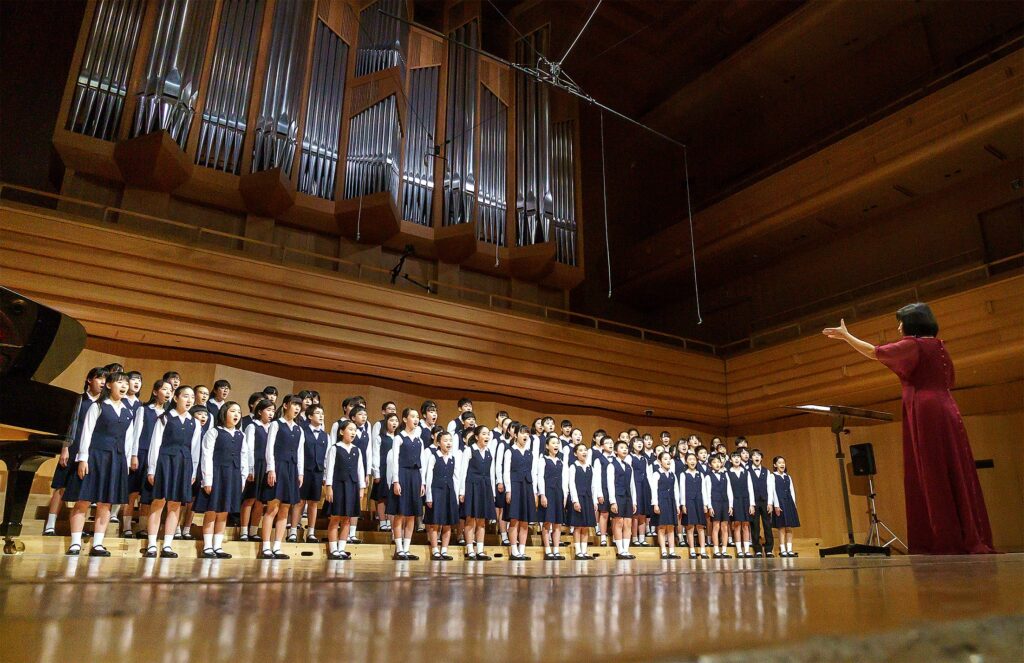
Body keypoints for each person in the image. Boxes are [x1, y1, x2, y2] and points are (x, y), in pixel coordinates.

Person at [823, 306, 995, 555]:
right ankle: (966, 533)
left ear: (912, 323)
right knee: (954, 468)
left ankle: (943, 537)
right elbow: (950, 380)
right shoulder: (938, 345)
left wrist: (847, 337)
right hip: (947, 407)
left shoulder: (913, 345)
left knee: (932, 471)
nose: (899, 328)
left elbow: (875, 352)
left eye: (901, 322)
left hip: (926, 409)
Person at [64, 371, 135, 557]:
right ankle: (75, 543)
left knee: (106, 503)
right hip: (95, 456)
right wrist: (82, 459)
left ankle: (98, 544)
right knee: (83, 500)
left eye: (126, 383)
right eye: (120, 382)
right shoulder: (99, 406)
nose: (124, 386)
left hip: (116, 459)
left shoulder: (128, 411)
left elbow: (129, 440)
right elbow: (86, 432)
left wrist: (125, 463)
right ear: (109, 385)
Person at [44, 366, 107, 536]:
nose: (103, 382)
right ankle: (50, 524)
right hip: (73, 446)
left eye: (105, 380)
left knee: (85, 490)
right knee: (61, 485)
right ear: (89, 380)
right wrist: (65, 447)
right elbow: (69, 424)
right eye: (99, 378)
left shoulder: (104, 404)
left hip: (91, 452)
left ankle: (79, 528)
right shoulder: (78, 400)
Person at [144, 386, 202, 558]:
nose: (189, 400)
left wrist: (193, 472)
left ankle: (167, 545)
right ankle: (152, 544)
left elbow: (195, 449)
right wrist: (152, 468)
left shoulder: (195, 423)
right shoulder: (165, 418)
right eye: (185, 396)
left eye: (192, 397)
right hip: (164, 461)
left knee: (175, 505)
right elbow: (155, 445)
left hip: (184, 464)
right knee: (159, 502)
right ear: (176, 398)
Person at [196, 402, 249, 559]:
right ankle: (207, 547)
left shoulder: (241, 435)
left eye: (238, 412)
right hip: (216, 474)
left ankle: (217, 546)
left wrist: (243, 479)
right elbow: (206, 456)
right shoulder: (214, 432)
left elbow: (244, 457)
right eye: (232, 411)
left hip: (233, 475)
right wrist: (207, 480)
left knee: (224, 511)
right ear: (224, 413)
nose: (236, 414)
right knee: (212, 510)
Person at [259, 395, 305, 559]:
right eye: (294, 405)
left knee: (285, 509)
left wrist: (300, 473)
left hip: (292, 469)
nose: (297, 408)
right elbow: (269, 448)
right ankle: (265, 546)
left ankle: (277, 546)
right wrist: (271, 469)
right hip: (278, 467)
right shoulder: (276, 424)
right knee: (273, 508)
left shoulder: (299, 429)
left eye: (299, 406)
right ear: (286, 405)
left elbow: (300, 452)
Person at [386, 408, 426, 560]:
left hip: (415, 476)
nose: (416, 419)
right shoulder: (399, 438)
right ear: (404, 419)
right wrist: (395, 480)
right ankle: (399, 549)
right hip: (402, 474)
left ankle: (407, 549)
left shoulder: (419, 440)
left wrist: (422, 483)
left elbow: (421, 463)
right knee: (400, 513)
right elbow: (394, 461)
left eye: (417, 417)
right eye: (412, 416)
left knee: (411, 515)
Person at [324, 419, 365, 560]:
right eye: (350, 429)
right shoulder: (335, 448)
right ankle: (333, 549)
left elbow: (360, 470)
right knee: (335, 518)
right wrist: (328, 487)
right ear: (342, 431)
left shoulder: (356, 450)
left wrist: (361, 488)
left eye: (355, 430)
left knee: (347, 518)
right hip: (338, 486)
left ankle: (342, 548)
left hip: (352, 486)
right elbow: (329, 469)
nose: (353, 432)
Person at [293, 404, 328, 543]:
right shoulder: (302, 431)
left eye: (322, 413)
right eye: (318, 413)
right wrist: (299, 471)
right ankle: (293, 531)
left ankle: (311, 532)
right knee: (300, 502)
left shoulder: (325, 435)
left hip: (318, 472)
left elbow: (326, 456)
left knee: (314, 503)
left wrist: (325, 475)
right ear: (309, 416)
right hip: (304, 471)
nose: (321, 416)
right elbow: (299, 452)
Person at [461, 425, 497, 560]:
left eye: (488, 434)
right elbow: (463, 472)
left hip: (485, 486)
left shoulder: (489, 452)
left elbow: (491, 474)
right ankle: (470, 549)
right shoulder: (469, 451)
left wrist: (492, 492)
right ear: (476, 437)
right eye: (484, 434)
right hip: (472, 486)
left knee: (482, 520)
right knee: (470, 519)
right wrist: (461, 491)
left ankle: (480, 550)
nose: (487, 436)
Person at [239, 398, 274, 541]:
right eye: (268, 410)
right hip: (255, 465)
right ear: (260, 411)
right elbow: (248, 449)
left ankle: (253, 530)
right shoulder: (253, 426)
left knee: (261, 501)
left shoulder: (273, 427)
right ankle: (243, 531)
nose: (271, 413)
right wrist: (250, 469)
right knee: (250, 499)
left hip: (267, 466)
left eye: (273, 410)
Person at [503, 423, 538, 561]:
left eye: (527, 433)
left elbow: (533, 473)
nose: (525, 435)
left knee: (524, 520)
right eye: (522, 433)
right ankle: (514, 550)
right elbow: (506, 471)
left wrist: (535, 492)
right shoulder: (509, 451)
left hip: (527, 486)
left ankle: (522, 550)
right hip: (515, 486)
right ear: (516, 435)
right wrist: (508, 490)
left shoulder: (530, 453)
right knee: (514, 519)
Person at [424, 431, 460, 561]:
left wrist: (456, 497)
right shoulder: (434, 456)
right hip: (436, 491)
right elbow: (429, 477)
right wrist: (429, 496)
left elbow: (456, 478)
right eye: (445, 440)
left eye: (450, 440)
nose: (448, 443)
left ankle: (444, 550)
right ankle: (435, 550)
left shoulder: (453, 458)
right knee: (435, 522)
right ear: (438, 443)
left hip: (449, 492)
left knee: (447, 523)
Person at [536, 435, 567, 560]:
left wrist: (565, 495)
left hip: (558, 493)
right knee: (547, 521)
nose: (556, 445)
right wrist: (542, 494)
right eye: (553, 443)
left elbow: (565, 480)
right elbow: (540, 478)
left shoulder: (561, 461)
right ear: (547, 446)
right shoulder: (543, 460)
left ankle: (556, 550)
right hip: (548, 492)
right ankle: (548, 550)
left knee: (557, 523)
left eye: (557, 443)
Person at [567, 443, 598, 560]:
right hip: (578, 498)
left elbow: (594, 485)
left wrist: (594, 501)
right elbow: (572, 484)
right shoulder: (573, 466)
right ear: (575, 453)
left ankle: (584, 551)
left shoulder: (590, 467)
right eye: (580, 450)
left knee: (586, 526)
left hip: (588, 498)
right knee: (578, 526)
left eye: (585, 450)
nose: (584, 452)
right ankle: (578, 551)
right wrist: (575, 501)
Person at [607, 440, 637, 560]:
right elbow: (610, 484)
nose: (625, 450)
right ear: (615, 451)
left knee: (628, 523)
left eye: (626, 448)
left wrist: (634, 501)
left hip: (628, 497)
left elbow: (632, 485)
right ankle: (620, 550)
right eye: (621, 448)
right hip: (617, 496)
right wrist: (612, 501)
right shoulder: (611, 465)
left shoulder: (629, 466)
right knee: (618, 522)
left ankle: (626, 549)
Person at [649, 451, 681, 559]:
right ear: (659, 461)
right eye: (665, 459)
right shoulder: (656, 474)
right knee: (662, 527)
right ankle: (663, 550)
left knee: (671, 527)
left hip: (671, 501)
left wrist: (677, 505)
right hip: (661, 501)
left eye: (669, 459)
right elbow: (654, 490)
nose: (668, 461)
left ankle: (671, 551)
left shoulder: (673, 474)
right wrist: (655, 504)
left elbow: (676, 490)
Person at [679, 452, 710, 559]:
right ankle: (692, 550)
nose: (692, 461)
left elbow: (704, 490)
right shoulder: (683, 474)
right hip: (689, 501)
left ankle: (703, 550)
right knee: (690, 527)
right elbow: (682, 490)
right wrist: (683, 504)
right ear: (686, 462)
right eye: (690, 459)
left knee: (701, 527)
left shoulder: (700, 474)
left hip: (699, 501)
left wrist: (705, 504)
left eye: (694, 459)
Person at [727, 452, 756, 558]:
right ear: (730, 460)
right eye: (734, 457)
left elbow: (750, 488)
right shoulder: (728, 473)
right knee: (737, 525)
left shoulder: (746, 472)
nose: (737, 459)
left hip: (746, 500)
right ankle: (739, 550)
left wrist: (752, 504)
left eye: (738, 457)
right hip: (735, 501)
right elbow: (728, 490)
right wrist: (730, 505)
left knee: (745, 525)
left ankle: (747, 550)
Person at [770, 456, 800, 557]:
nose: (782, 464)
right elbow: (773, 491)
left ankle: (790, 549)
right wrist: (776, 505)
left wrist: (794, 504)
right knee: (781, 527)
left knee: (789, 527)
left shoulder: (788, 477)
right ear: (775, 465)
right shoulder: (772, 476)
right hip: (780, 503)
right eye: (779, 463)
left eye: (783, 462)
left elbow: (792, 491)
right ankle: (782, 549)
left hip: (789, 503)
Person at [748, 450, 775, 557]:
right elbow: (749, 489)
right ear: (751, 459)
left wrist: (770, 503)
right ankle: (757, 549)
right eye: (754, 455)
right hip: (754, 502)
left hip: (765, 501)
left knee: (767, 525)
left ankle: (769, 549)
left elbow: (770, 488)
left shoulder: (766, 471)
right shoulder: (748, 471)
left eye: (758, 455)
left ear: (761, 458)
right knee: (755, 526)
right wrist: (751, 504)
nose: (756, 457)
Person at [706, 454, 733, 558]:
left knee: (725, 527)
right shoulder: (708, 477)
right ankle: (716, 550)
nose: (717, 464)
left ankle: (724, 550)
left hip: (725, 502)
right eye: (714, 462)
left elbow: (729, 490)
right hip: (715, 502)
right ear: (710, 465)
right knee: (716, 526)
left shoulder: (725, 475)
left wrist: (730, 505)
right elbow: (708, 493)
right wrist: (710, 506)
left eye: (718, 462)